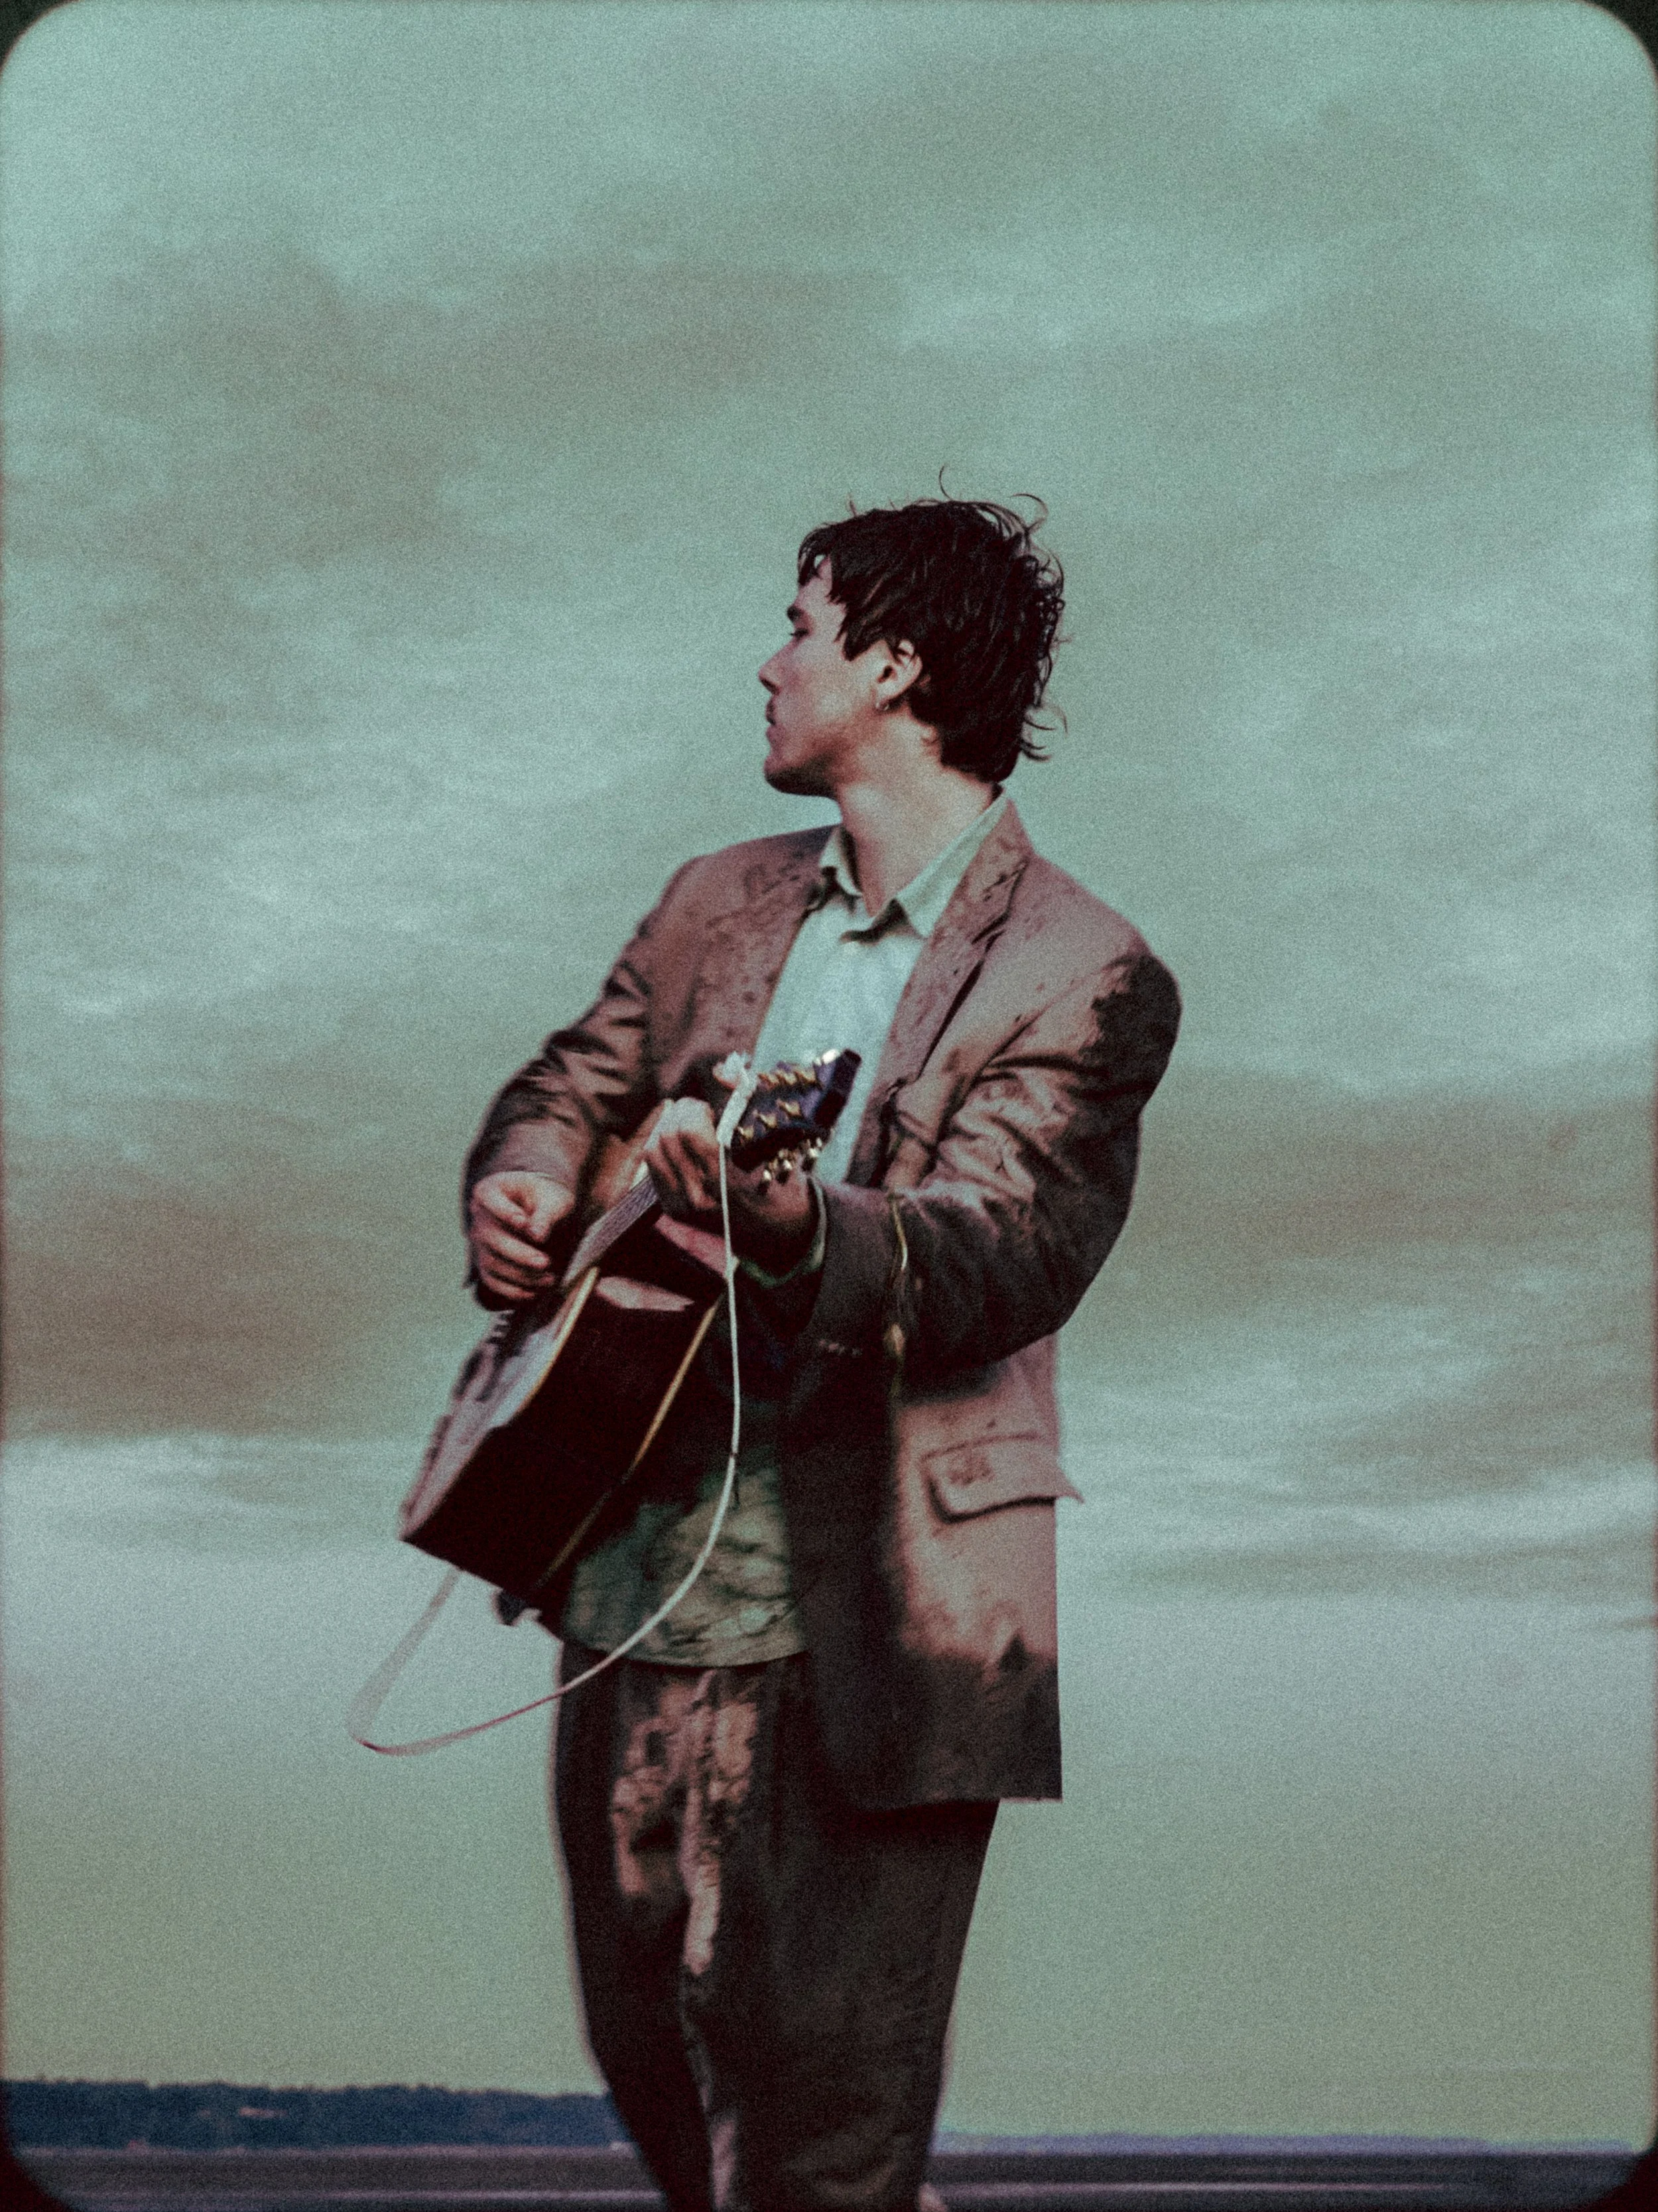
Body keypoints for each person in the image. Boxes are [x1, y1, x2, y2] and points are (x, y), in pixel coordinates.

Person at [462, 497, 1180, 2212]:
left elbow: (1007, 1255)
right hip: (628, 1585)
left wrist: (791, 1225)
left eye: (800, 623)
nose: (769, 663)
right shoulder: (713, 900)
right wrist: (525, 1177)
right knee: (659, 2087)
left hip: (878, 1624)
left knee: (828, 2145)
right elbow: (570, 1082)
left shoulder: (1086, 970)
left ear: (896, 662)